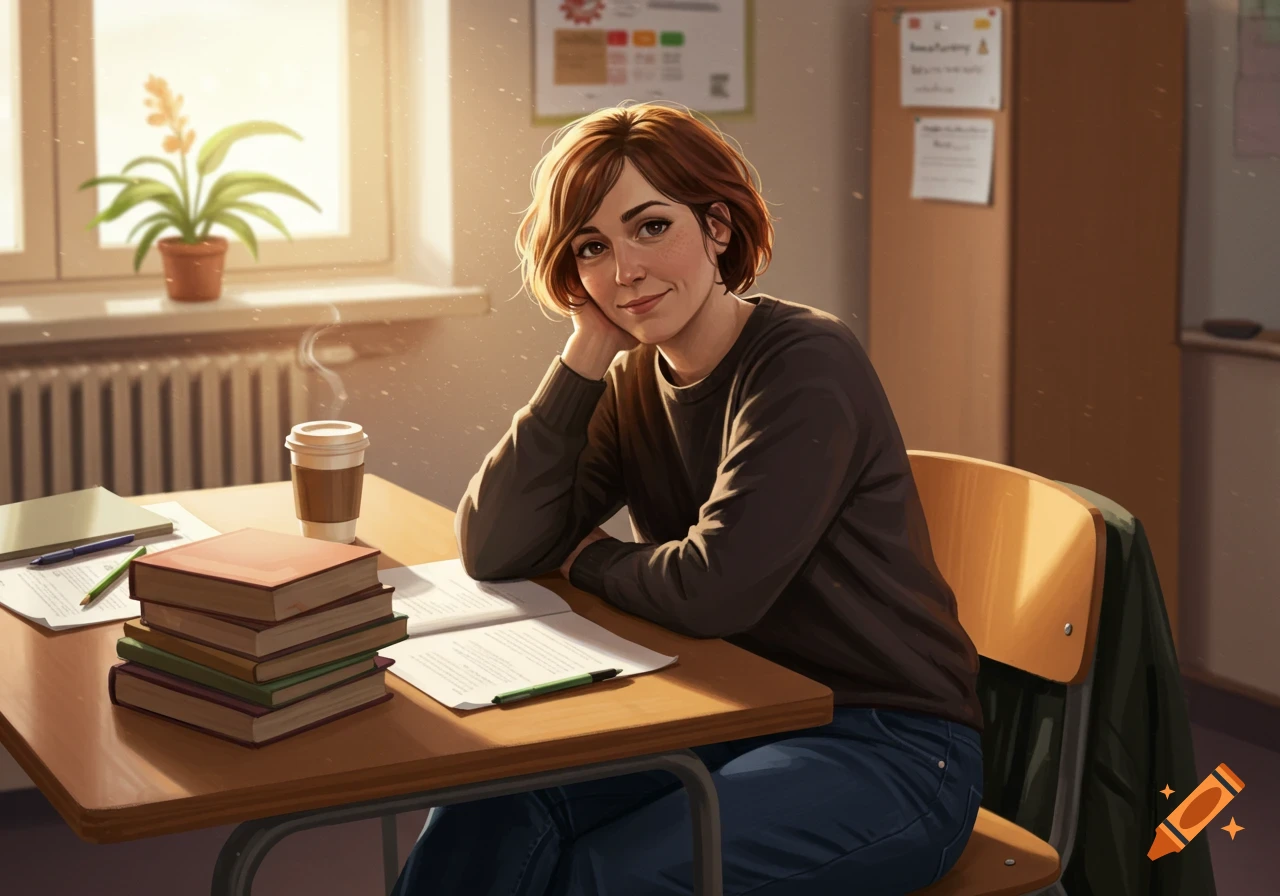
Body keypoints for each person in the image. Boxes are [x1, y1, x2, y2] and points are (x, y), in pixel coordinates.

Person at [392, 102, 985, 896]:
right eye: (593, 247)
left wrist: (589, 555)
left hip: (886, 740)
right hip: (727, 709)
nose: (624, 270)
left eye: (651, 228)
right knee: (490, 808)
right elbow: (495, 546)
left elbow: (714, 590)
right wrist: (584, 355)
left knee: (613, 875)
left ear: (718, 227)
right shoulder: (632, 376)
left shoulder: (805, 363)